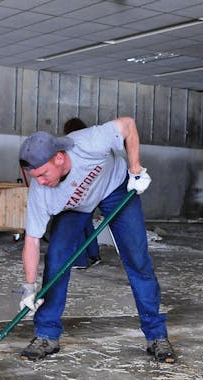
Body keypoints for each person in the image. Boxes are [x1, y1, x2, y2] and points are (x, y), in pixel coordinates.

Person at [17, 116, 175, 364]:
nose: (41, 181)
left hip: (115, 188)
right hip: (78, 205)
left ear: (59, 158)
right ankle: (46, 334)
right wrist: (29, 287)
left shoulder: (88, 142)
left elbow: (129, 125)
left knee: (137, 258)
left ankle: (156, 335)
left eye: (44, 174)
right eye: (35, 176)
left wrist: (135, 169)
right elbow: (32, 240)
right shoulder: (42, 191)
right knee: (57, 259)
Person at [63, 117, 101, 270]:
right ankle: (93, 255)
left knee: (75, 224)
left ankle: (79, 260)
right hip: (93, 189)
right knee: (87, 223)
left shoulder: (73, 146)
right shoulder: (92, 145)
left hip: (78, 190)